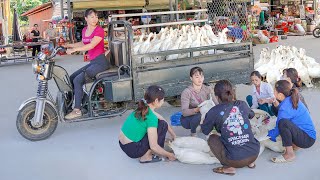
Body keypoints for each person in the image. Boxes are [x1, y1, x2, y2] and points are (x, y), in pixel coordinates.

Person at [201, 80, 260, 176]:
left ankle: (228, 168)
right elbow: (251, 114)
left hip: (234, 160)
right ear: (232, 92)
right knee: (247, 132)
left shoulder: (214, 111)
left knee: (212, 139)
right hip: (254, 153)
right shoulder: (242, 104)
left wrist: (202, 121)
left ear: (216, 96)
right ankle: (250, 163)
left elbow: (205, 130)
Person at [64, 8, 109, 119]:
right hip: (93, 62)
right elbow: (83, 42)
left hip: (100, 63)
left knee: (78, 80)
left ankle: (77, 110)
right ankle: (81, 102)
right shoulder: (84, 30)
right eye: (92, 16)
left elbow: (91, 45)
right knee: (72, 77)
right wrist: (69, 45)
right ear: (86, 18)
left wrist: (74, 50)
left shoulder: (99, 30)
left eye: (96, 16)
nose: (95, 19)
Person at [119, 85, 176, 163]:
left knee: (162, 123)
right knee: (162, 126)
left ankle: (146, 151)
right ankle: (145, 157)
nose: (163, 101)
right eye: (163, 99)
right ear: (156, 101)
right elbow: (154, 146)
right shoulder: (151, 118)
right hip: (133, 150)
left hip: (123, 144)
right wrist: (169, 155)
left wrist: (174, 135)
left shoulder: (143, 107)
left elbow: (162, 118)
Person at [268, 80, 316, 163]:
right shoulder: (291, 99)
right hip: (309, 135)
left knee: (283, 123)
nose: (273, 93)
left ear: (280, 95)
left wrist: (268, 135)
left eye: (274, 91)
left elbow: (278, 126)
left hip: (307, 140)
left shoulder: (285, 107)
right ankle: (295, 144)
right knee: (283, 121)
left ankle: (289, 153)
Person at [180, 67, 219, 136]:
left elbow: (216, 104)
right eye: (197, 77)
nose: (200, 79)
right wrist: (197, 110)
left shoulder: (208, 89)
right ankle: (193, 133)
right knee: (199, 116)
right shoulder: (186, 92)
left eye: (201, 76)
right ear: (191, 78)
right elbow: (184, 112)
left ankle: (210, 129)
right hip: (191, 118)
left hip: (205, 114)